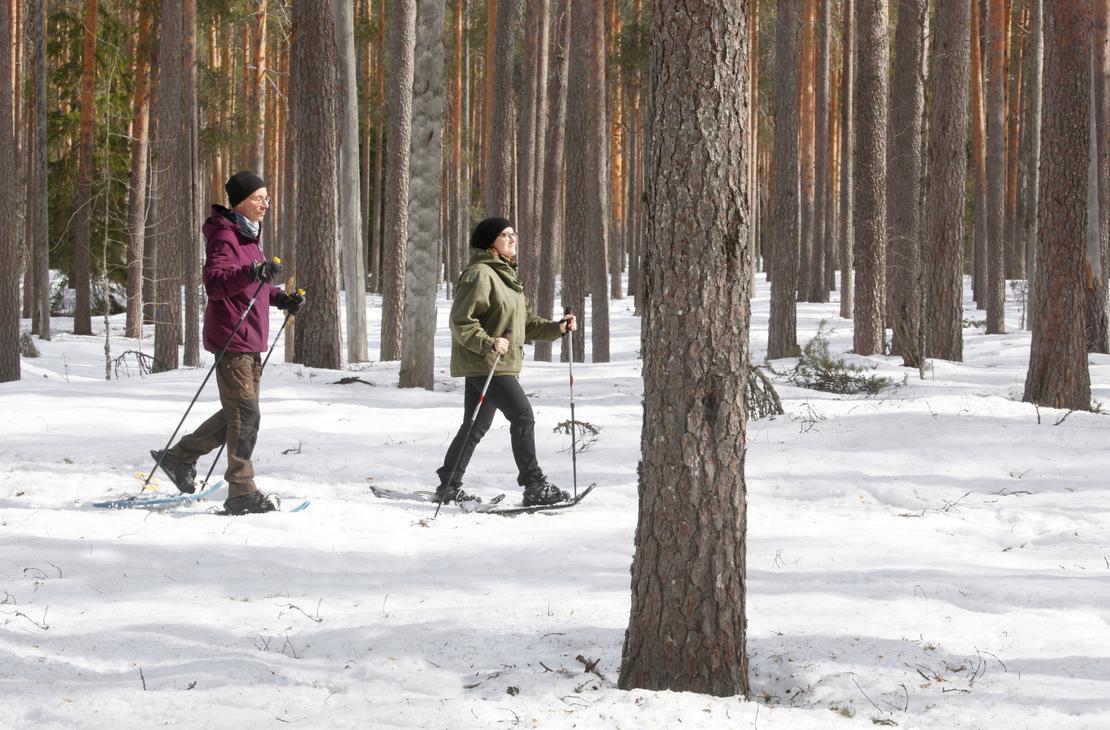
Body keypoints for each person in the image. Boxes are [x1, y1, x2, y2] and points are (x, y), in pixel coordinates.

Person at [151, 170, 304, 515]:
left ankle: (179, 458)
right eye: (258, 198)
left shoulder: (248, 236)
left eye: (266, 197)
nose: (265, 203)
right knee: (246, 415)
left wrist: (281, 298)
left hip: (250, 338)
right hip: (232, 336)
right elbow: (216, 284)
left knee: (238, 413)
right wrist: (253, 272)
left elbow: (254, 286)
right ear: (240, 202)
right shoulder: (224, 235)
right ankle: (241, 490)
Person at [436, 216, 577, 507]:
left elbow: (526, 323)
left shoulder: (507, 278)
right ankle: (534, 485)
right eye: (505, 235)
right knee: (522, 416)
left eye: (514, 234)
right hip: (486, 362)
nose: (513, 239)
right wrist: (488, 342)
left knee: (475, 425)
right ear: (491, 243)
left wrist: (558, 328)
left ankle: (448, 484)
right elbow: (461, 321)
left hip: (493, 362)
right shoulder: (479, 274)